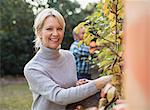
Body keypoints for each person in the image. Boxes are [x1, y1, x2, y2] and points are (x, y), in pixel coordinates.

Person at [24, 8, 112, 110]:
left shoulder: (69, 56)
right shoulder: (32, 68)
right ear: (39, 32)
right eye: (49, 29)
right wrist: (98, 83)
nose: (55, 33)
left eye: (59, 29)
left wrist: (79, 85)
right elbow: (59, 96)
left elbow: (69, 89)